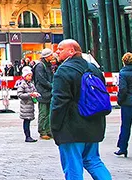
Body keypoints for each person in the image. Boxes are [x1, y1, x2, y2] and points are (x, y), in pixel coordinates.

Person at [52, 40, 112, 180]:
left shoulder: (63, 71)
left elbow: (59, 102)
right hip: (94, 123)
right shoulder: (93, 68)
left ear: (72, 51)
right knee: (93, 160)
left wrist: (55, 126)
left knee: (73, 167)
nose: (57, 52)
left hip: (71, 127)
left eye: (60, 49)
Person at [33, 49, 57, 140]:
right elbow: (41, 79)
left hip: (48, 92)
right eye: (51, 55)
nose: (52, 57)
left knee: (49, 113)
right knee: (43, 113)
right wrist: (51, 86)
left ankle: (48, 130)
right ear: (47, 56)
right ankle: (42, 131)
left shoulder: (48, 65)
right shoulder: (40, 66)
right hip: (43, 93)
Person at [15, 67, 40, 143]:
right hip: (25, 106)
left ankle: (29, 136)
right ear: (24, 76)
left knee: (28, 121)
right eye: (28, 75)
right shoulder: (22, 84)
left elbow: (35, 90)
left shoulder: (31, 84)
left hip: (30, 105)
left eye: (30, 75)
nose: (30, 77)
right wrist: (30, 94)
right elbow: (19, 94)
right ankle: (27, 136)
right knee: (26, 121)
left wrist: (36, 94)